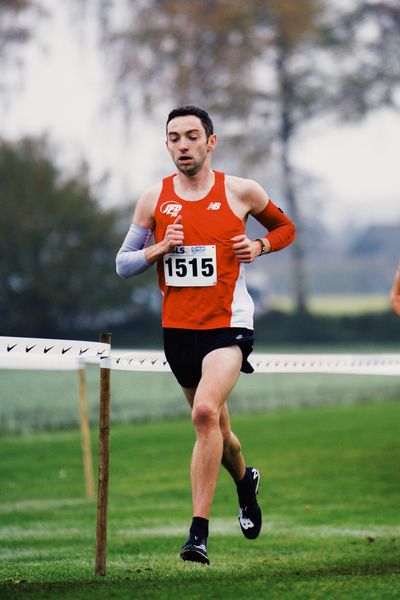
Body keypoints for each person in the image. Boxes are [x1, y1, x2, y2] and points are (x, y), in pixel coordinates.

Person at [116, 105, 295, 565]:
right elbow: (123, 264)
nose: (183, 145)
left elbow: (285, 228)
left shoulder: (240, 192)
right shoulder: (153, 199)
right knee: (221, 435)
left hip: (228, 324)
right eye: (174, 138)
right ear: (167, 145)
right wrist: (160, 246)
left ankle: (198, 534)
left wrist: (257, 245)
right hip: (178, 330)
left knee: (203, 414)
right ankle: (245, 482)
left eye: (192, 136)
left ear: (210, 142)